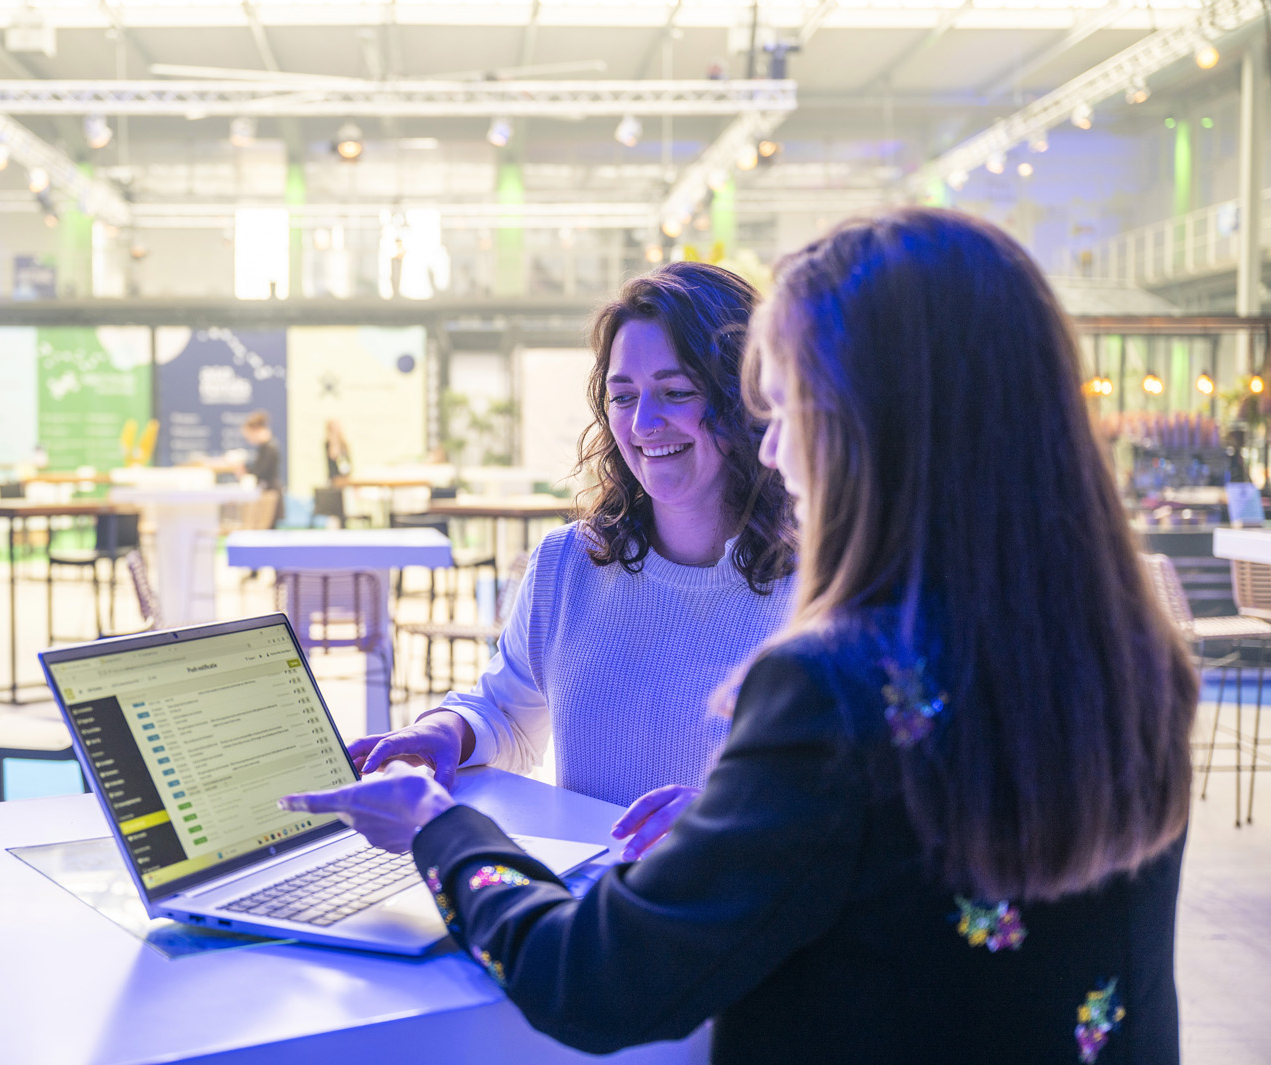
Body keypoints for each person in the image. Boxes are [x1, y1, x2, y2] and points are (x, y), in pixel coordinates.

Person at [283, 209, 1196, 1063]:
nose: (770, 447)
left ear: (877, 427)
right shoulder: (1132, 653)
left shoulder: (833, 686)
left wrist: (441, 829)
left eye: (788, 408)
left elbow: (591, 980)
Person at [347, 261, 796, 859]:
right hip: (593, 898)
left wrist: (736, 820)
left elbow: (867, 802)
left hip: (730, 902)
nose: (644, 424)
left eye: (677, 392)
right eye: (623, 397)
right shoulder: (570, 563)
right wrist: (445, 731)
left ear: (749, 398)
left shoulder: (820, 587)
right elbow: (507, 714)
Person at [238, 409, 284, 526]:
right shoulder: (265, 447)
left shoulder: (269, 448)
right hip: (268, 494)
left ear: (256, 430)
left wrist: (244, 471)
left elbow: (261, 472)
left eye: (249, 436)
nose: (249, 440)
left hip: (270, 496)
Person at [324, 419, 353, 484]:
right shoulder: (328, 444)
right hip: (333, 479)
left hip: (345, 477)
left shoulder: (344, 445)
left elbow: (347, 464)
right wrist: (334, 442)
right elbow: (333, 455)